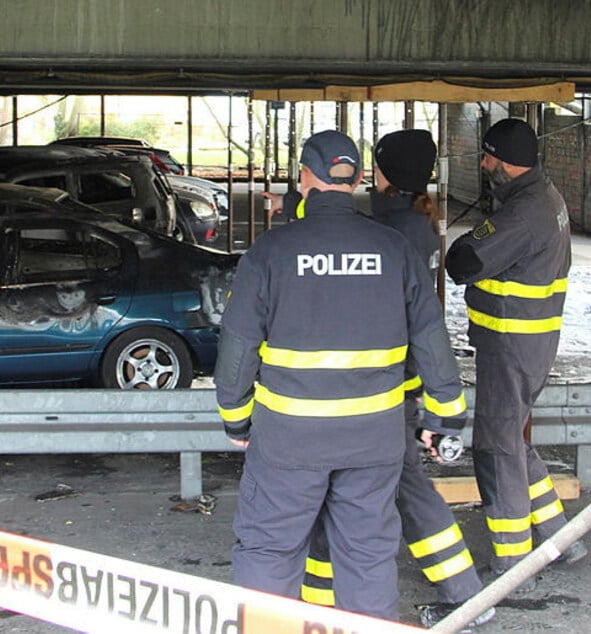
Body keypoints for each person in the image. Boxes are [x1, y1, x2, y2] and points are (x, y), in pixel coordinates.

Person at [216, 130, 467, 622]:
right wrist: (447, 416)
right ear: (353, 181)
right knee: (368, 557)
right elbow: (432, 340)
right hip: (373, 440)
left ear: (306, 177)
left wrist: (236, 420)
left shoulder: (272, 251)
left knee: (269, 552)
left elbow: (239, 345)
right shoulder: (392, 248)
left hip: (290, 441)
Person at [297, 129, 492, 629]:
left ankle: (467, 597)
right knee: (365, 489)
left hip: (388, 385)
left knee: (403, 489)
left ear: (384, 175)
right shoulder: (411, 221)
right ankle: (318, 602)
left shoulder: (392, 230)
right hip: (398, 377)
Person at [445, 118, 587, 588]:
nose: (483, 167)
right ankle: (558, 536)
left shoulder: (523, 215)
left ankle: (512, 563)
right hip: (528, 343)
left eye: (486, 159)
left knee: (496, 446)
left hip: (510, 345)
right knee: (514, 440)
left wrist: (466, 239)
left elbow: (464, 262)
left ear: (503, 162)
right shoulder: (543, 194)